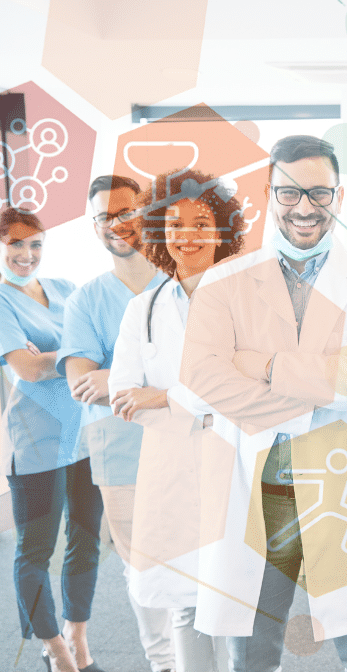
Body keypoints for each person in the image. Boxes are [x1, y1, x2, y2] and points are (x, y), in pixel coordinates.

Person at [178, 135, 347, 672]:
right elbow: (201, 375)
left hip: (345, 481)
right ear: (269, 193)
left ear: (340, 197)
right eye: (290, 193)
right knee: (251, 647)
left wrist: (262, 365)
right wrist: (320, 401)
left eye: (319, 194)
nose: (305, 208)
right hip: (259, 486)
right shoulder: (224, 280)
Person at [107, 167, 247, 671]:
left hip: (234, 464)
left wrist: (166, 398)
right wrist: (170, 401)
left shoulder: (246, 302)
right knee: (186, 602)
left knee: (237, 604)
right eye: (174, 223)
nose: (186, 235)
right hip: (170, 470)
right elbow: (124, 394)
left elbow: (246, 388)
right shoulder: (142, 309)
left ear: (222, 230)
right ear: (159, 233)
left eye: (201, 222)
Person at [57, 174, 174, 672]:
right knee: (142, 568)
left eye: (124, 211)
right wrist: (152, 383)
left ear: (145, 212)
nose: (115, 224)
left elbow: (203, 373)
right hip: (120, 452)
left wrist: (118, 378)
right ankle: (165, 664)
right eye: (103, 216)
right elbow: (82, 383)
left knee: (200, 558)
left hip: (188, 442)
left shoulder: (180, 284)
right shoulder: (86, 300)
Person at [0, 206, 102, 672]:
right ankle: (54, 649)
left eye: (35, 243)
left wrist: (58, 356)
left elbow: (100, 347)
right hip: (38, 438)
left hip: (86, 432)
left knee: (86, 537)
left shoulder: (64, 290)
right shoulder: (1, 301)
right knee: (37, 549)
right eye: (15, 244)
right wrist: (78, 356)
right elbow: (27, 367)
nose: (27, 254)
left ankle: (77, 637)